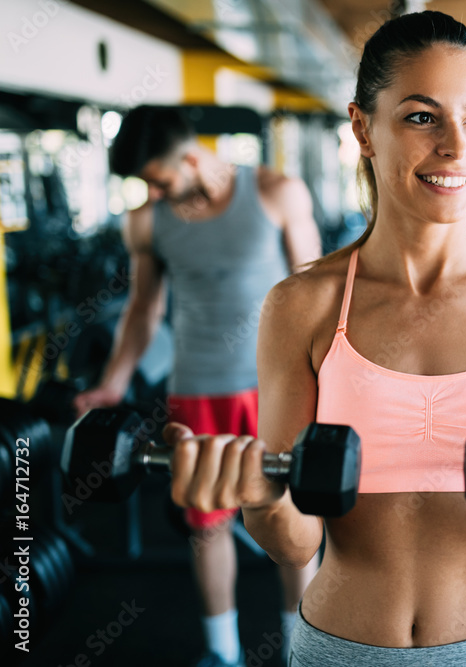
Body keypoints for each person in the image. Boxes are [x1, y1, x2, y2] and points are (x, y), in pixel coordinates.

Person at [158, 11, 466, 666]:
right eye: (423, 116)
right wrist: (259, 490)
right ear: (363, 127)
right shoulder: (301, 304)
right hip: (337, 644)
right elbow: (294, 543)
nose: (457, 146)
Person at [73, 105, 323, 667]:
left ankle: (300, 650)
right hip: (197, 392)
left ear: (189, 157)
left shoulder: (276, 192)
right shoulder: (147, 220)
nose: (153, 191)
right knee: (205, 525)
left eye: (158, 179)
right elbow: (142, 309)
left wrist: (328, 377)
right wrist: (112, 384)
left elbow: (313, 295)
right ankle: (222, 651)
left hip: (276, 389)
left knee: (292, 520)